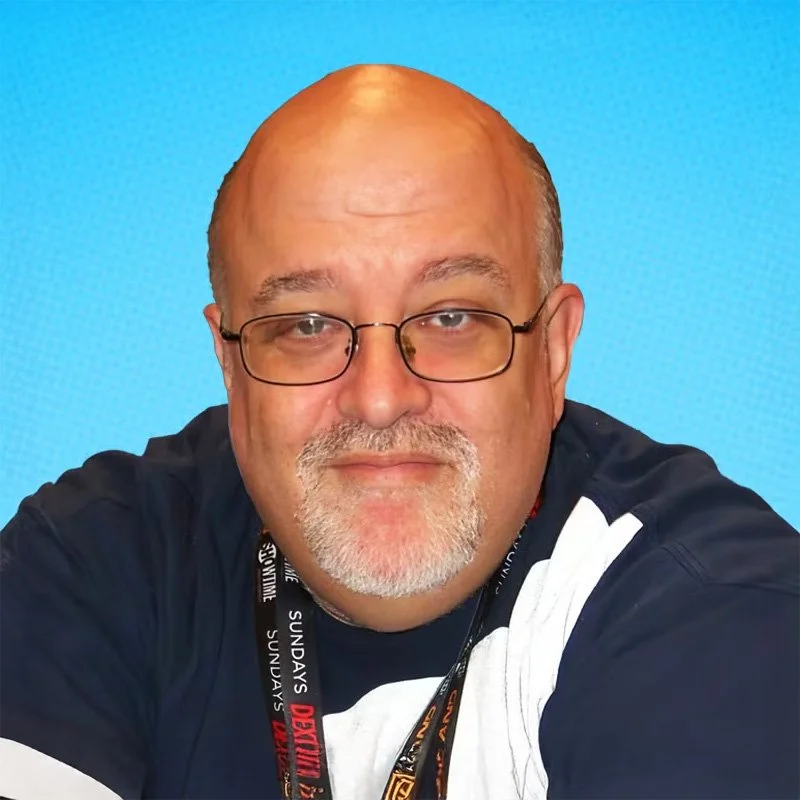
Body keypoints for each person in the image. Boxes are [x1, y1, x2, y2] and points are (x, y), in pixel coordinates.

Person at [1, 64, 797, 800]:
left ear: (552, 352)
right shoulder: (96, 564)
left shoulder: (717, 613)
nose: (380, 398)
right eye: (306, 323)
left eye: (452, 317)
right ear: (229, 359)